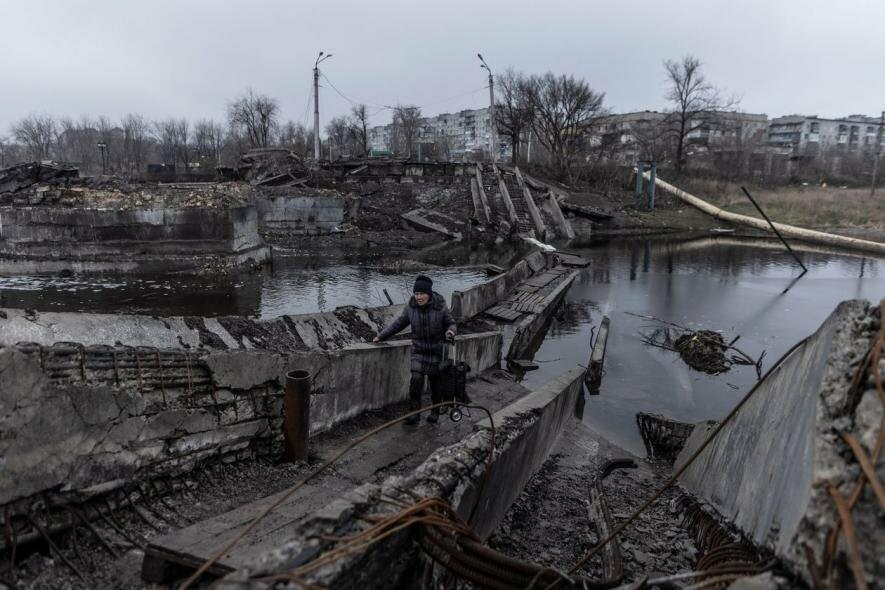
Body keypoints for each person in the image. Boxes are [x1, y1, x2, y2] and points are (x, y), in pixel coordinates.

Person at [373, 275, 456, 424]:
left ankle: (435, 412)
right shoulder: (411, 308)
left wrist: (450, 332)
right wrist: (381, 336)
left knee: (435, 384)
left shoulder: (440, 307)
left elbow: (451, 323)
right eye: (416, 294)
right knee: (416, 382)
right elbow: (398, 324)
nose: (419, 297)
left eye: (422, 294)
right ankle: (414, 414)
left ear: (429, 294)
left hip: (437, 351)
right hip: (418, 351)